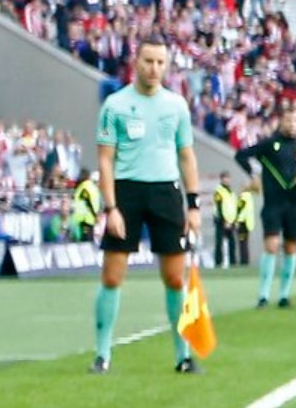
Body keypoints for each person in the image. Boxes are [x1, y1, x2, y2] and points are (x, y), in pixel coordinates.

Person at [92, 39, 203, 375]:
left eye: (160, 62)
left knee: (174, 277)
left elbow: (186, 156)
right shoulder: (115, 105)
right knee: (113, 276)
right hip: (126, 194)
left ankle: (182, 356)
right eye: (148, 61)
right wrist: (111, 208)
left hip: (166, 193)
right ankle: (102, 355)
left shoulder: (176, 106)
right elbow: (106, 160)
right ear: (135, 62)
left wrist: (194, 203)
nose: (154, 69)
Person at [235, 104, 296, 308]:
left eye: (295, 121)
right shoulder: (269, 144)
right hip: (273, 204)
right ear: (281, 121)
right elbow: (241, 155)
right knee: (271, 246)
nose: (292, 125)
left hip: (295, 205)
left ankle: (284, 295)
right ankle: (263, 295)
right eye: (288, 120)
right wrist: (253, 175)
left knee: (291, 248)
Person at [212, 171, 237, 267]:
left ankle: (233, 263)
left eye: (228, 178)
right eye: (224, 178)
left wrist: (233, 220)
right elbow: (219, 207)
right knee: (219, 243)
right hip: (221, 221)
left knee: (232, 244)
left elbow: (233, 207)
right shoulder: (219, 191)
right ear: (221, 179)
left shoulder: (230, 192)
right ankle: (218, 262)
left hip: (231, 221)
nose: (227, 180)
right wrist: (224, 220)